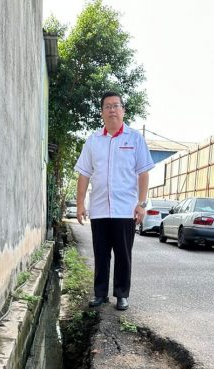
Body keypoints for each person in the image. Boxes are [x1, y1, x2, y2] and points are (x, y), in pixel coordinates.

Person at [74, 91, 154, 310]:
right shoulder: (93, 141)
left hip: (125, 209)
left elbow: (143, 172)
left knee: (123, 255)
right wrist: (80, 204)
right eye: (107, 106)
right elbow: (83, 174)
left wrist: (142, 203)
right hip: (99, 208)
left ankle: (121, 295)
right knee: (101, 254)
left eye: (116, 106)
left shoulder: (135, 139)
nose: (112, 110)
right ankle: (100, 294)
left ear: (123, 110)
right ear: (102, 113)